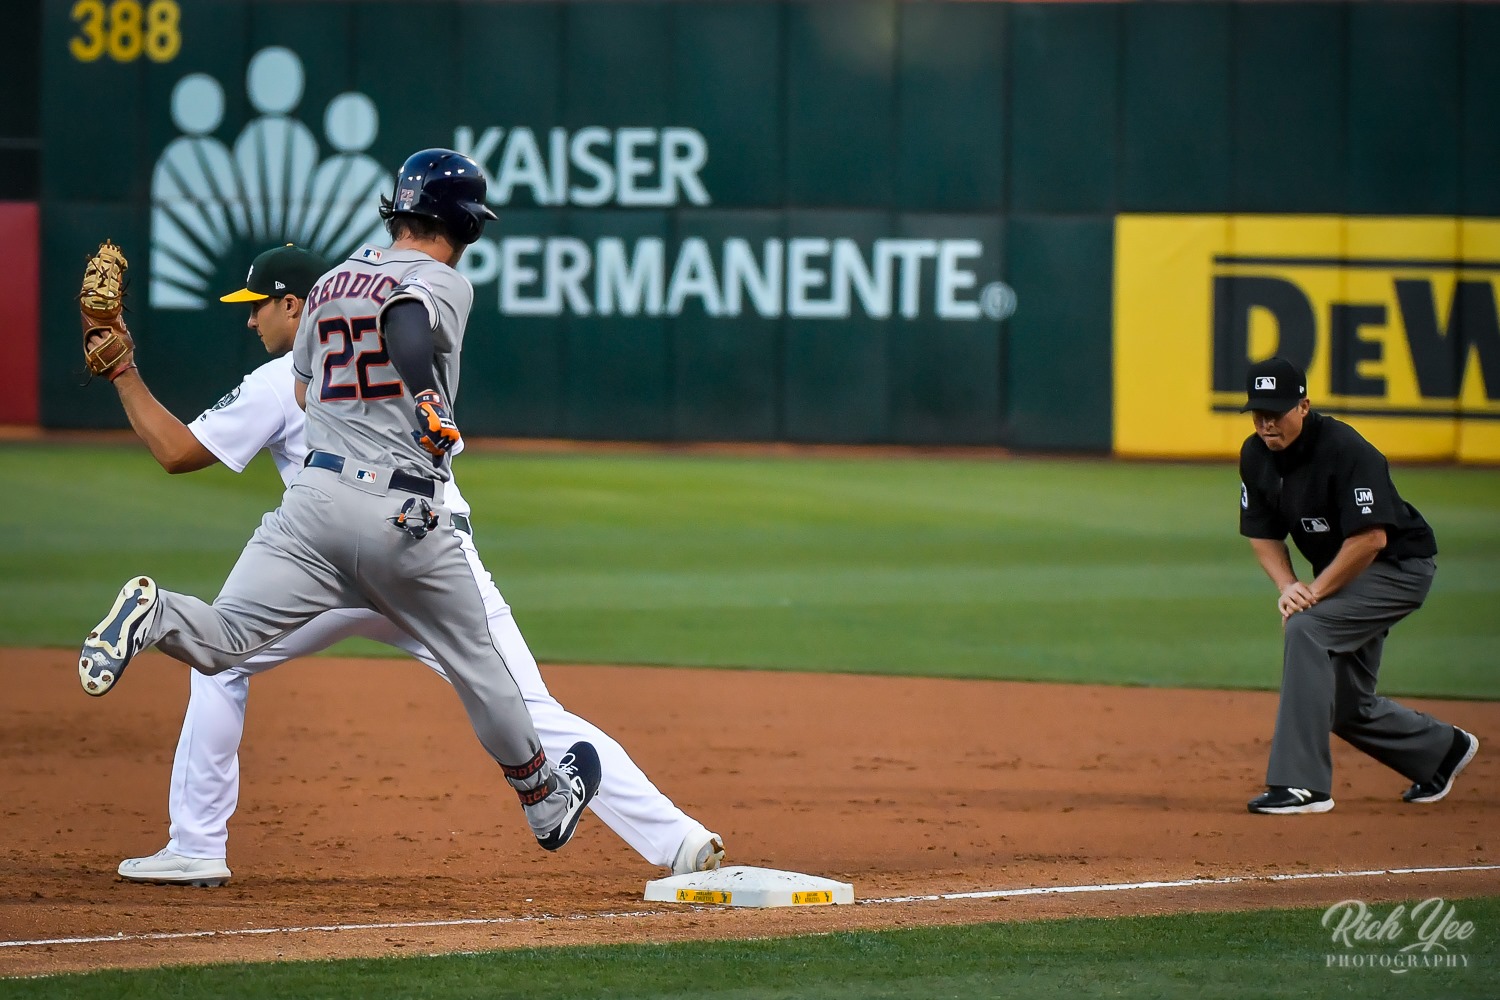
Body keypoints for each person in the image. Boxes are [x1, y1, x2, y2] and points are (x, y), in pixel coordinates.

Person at [86, 242, 725, 886]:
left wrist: (124, 373)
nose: (251, 321)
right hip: (424, 551)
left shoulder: (282, 380)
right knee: (523, 705)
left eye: (258, 307)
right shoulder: (404, 339)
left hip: (324, 560)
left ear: (295, 304)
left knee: (221, 658)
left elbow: (175, 451)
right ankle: (677, 842)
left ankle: (196, 841)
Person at [80, 149, 602, 857]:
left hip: (311, 506)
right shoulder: (442, 281)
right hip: (405, 518)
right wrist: (420, 390)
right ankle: (544, 800)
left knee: (226, 642)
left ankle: (159, 613)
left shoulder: (327, 284)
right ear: (463, 222)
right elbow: (407, 319)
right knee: (481, 666)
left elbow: (301, 391)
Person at [1237, 357, 1478, 815]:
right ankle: (1440, 751)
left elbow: (1372, 538)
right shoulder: (1255, 455)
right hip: (1349, 569)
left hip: (1399, 567)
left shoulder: (1346, 449)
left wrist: (1317, 592)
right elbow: (1261, 532)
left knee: (1307, 628)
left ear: (1303, 406)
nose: (1267, 421)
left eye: (1277, 410)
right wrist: (1288, 585)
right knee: (1343, 704)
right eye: (1258, 411)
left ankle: (1302, 785)